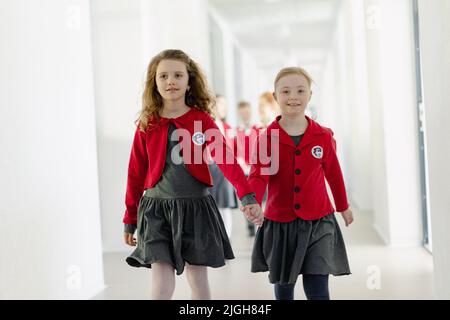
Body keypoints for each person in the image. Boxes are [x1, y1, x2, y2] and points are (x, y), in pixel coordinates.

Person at [122, 49, 263, 300]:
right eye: (163, 76)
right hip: (157, 211)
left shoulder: (203, 121)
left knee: (197, 277)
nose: (170, 81)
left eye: (177, 75)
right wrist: (130, 217)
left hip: (196, 208)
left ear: (189, 82)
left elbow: (226, 160)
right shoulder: (147, 124)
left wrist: (247, 195)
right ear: (155, 83)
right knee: (160, 276)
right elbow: (135, 173)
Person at [245, 67, 354, 300]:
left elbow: (333, 174)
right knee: (284, 287)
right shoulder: (267, 138)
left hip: (319, 221)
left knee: (318, 285)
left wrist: (343, 206)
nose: (293, 96)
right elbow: (258, 176)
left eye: (300, 90)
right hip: (280, 223)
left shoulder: (323, 136)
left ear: (309, 96)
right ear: (275, 97)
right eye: (285, 91)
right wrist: (252, 201)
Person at [208, 95, 237, 238]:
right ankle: (216, 239)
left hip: (225, 170)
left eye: (225, 105)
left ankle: (226, 239)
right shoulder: (206, 125)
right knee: (212, 207)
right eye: (221, 104)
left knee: (225, 206)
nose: (224, 108)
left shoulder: (228, 128)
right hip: (211, 169)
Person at [234, 101, 260, 236]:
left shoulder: (257, 129)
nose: (245, 115)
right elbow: (233, 150)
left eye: (247, 112)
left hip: (255, 169)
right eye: (243, 113)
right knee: (246, 197)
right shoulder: (236, 131)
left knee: (258, 196)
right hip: (243, 170)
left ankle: (259, 221)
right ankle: (250, 224)